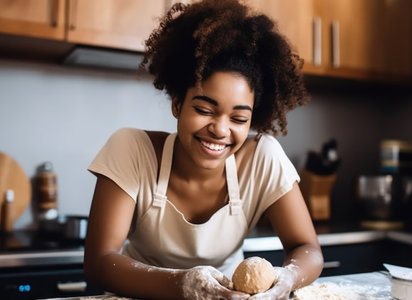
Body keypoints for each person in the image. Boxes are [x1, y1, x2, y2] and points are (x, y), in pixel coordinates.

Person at [84, 0, 323, 299]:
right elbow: (99, 262)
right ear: (177, 103)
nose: (221, 130)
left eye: (238, 118)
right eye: (204, 109)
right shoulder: (132, 150)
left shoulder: (263, 158)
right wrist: (186, 285)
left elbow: (308, 249)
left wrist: (286, 279)